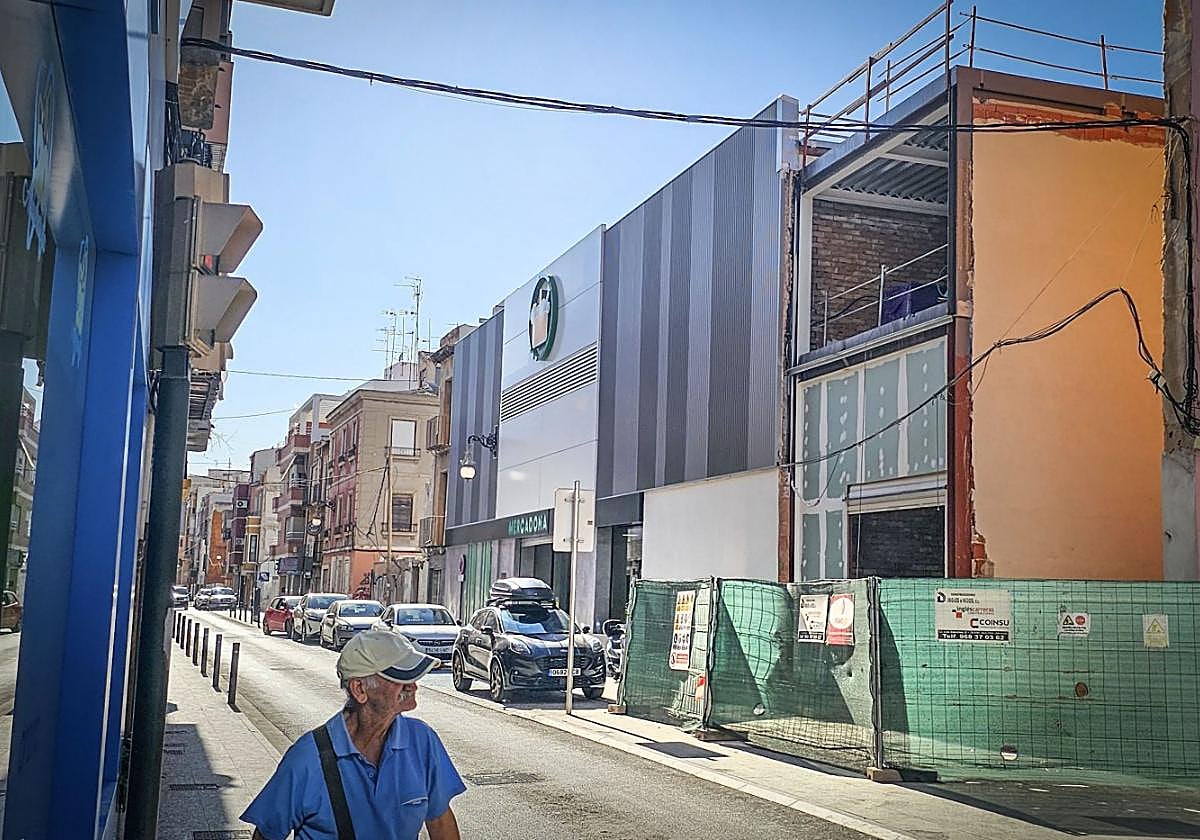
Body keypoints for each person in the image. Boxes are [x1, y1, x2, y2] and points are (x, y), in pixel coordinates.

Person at [241, 630, 466, 840]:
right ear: (359, 689)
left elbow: (439, 820)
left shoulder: (422, 741)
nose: (413, 687)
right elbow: (266, 834)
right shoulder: (307, 758)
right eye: (401, 678)